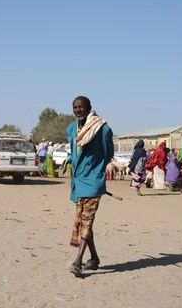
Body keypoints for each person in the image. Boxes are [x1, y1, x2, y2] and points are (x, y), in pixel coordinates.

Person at [67, 96, 114, 277]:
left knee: (86, 220)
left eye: (81, 107)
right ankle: (94, 258)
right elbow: (74, 151)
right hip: (78, 181)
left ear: (89, 108)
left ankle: (78, 261)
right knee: (85, 220)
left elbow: (108, 153)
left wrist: (96, 170)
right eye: (75, 107)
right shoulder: (71, 128)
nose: (78, 110)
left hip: (93, 181)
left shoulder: (102, 129)